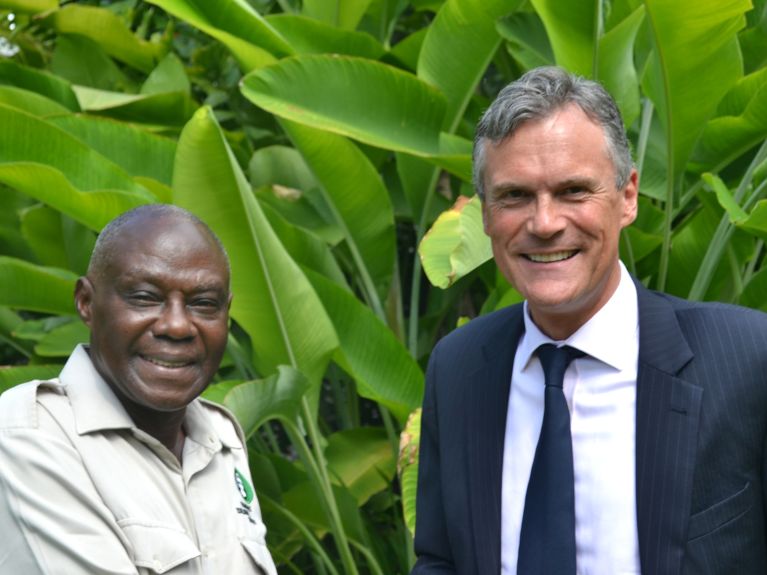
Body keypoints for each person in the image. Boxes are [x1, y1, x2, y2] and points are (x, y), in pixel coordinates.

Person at [412, 66, 767, 574]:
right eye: (514, 196)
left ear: (627, 197)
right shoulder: (460, 366)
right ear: (486, 214)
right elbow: (441, 559)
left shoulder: (747, 359)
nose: (545, 223)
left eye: (574, 191)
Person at [0, 204, 277, 574]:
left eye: (203, 304)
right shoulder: (30, 436)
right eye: (145, 297)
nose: (177, 326)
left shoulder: (221, 438)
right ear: (86, 302)